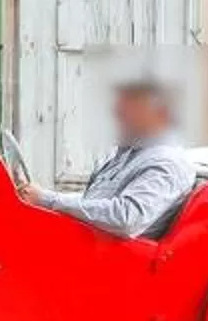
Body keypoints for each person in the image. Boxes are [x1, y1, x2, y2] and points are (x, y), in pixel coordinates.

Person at [46, 75, 197, 238]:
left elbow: (127, 218)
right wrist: (44, 199)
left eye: (128, 111)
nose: (117, 116)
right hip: (84, 245)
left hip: (113, 258)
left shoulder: (168, 162)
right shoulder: (126, 154)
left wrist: (50, 200)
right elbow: (90, 201)